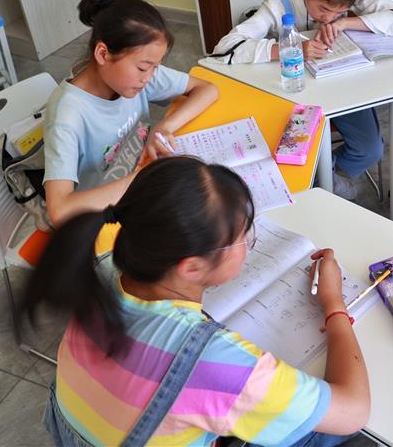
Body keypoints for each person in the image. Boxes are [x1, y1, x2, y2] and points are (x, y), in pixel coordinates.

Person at [23, 156, 370, 446]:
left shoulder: (100, 272)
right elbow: (353, 410)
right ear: (190, 267)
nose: (249, 242)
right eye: (242, 237)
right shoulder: (215, 361)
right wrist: (334, 304)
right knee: (319, 432)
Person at [207, 0, 393, 199]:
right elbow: (224, 49)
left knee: (370, 150)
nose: (328, 18)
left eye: (339, 12)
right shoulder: (279, 3)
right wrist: (289, 50)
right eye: (323, 9)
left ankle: (324, 174)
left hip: (340, 87)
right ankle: (319, 179)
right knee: (291, 154)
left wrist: (345, 23)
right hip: (291, 93)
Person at [42, 0, 218, 227]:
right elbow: (59, 211)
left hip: (138, 186)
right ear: (103, 54)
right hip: (100, 213)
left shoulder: (136, 77)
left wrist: (165, 127)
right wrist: (141, 179)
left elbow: (208, 89)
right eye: (144, 68)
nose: (149, 77)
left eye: (155, 68)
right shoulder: (67, 115)